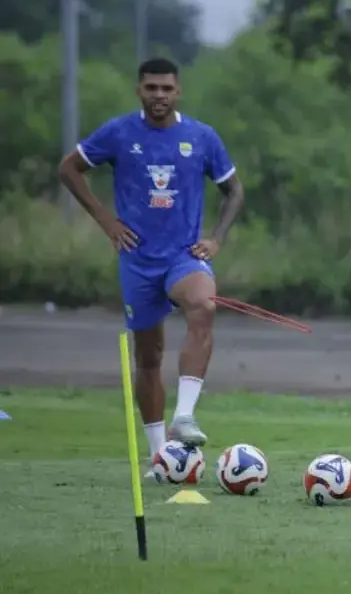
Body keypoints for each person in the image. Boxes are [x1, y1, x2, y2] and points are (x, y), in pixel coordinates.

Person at [57, 57, 245, 475]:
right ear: (139, 91)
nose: (159, 95)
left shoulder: (201, 136)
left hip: (184, 257)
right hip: (138, 261)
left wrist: (215, 239)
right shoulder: (119, 133)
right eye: (151, 88)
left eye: (166, 88)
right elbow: (69, 168)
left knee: (204, 305)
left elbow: (233, 189)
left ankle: (185, 416)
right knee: (148, 355)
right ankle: (160, 455)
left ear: (178, 91)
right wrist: (107, 221)